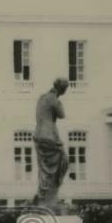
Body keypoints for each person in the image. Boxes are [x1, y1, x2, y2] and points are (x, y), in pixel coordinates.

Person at [33, 78, 70, 212]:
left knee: (44, 168)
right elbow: (62, 115)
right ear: (62, 89)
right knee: (64, 161)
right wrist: (58, 100)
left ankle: (45, 197)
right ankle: (50, 198)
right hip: (49, 136)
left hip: (39, 135)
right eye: (65, 89)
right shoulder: (53, 98)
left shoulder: (42, 97)